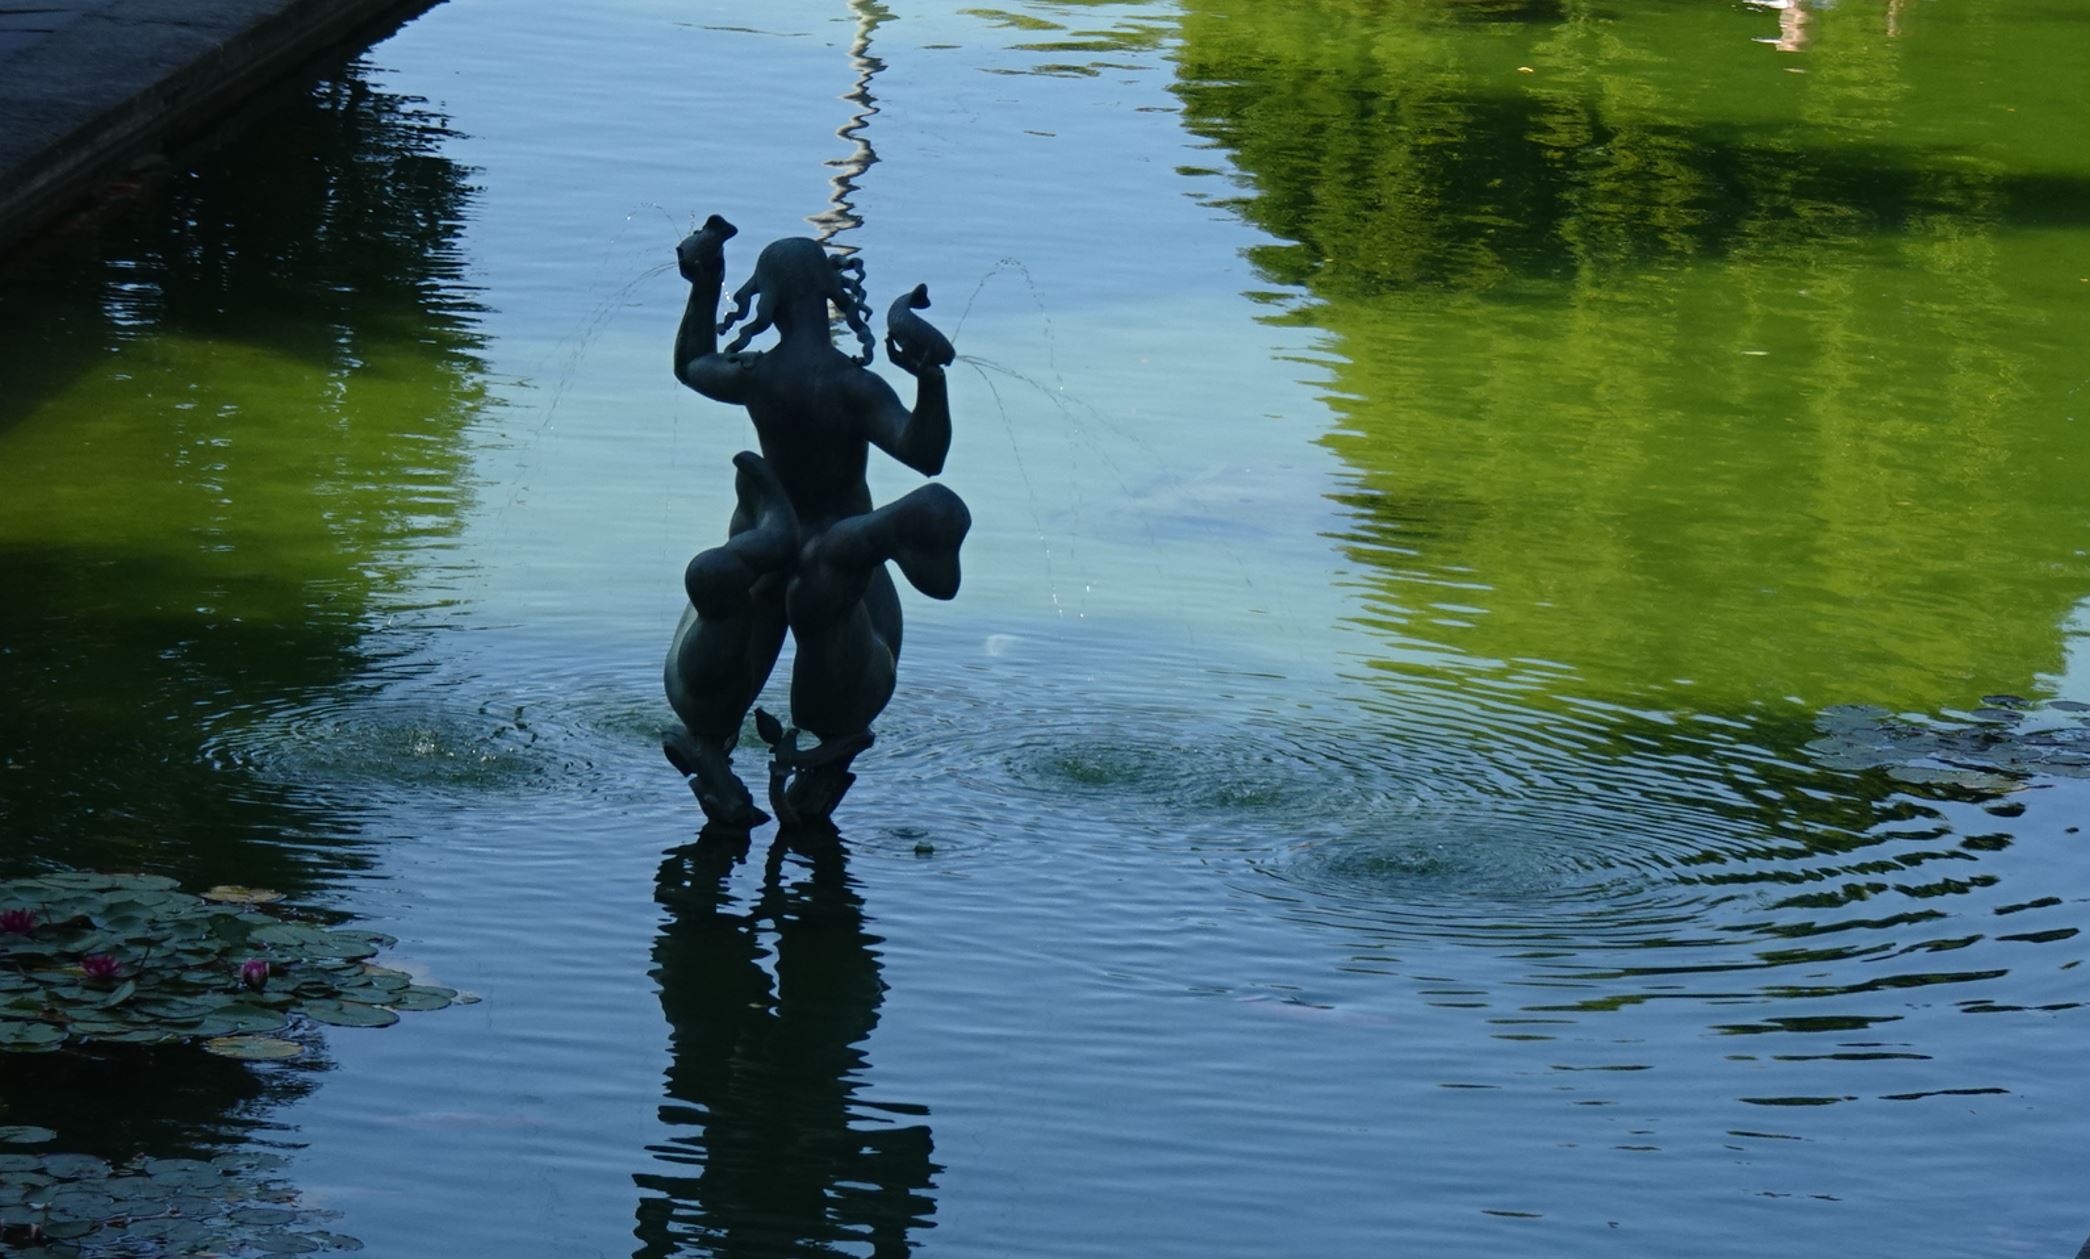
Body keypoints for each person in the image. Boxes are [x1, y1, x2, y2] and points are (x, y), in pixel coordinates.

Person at [662, 216, 970, 828]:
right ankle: (823, 758)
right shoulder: (853, 385)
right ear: (833, 293)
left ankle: (713, 748)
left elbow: (691, 363)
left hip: (766, 538)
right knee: (849, 675)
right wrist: (930, 381)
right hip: (837, 542)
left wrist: (705, 283)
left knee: (722, 654)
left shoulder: (755, 374)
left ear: (767, 299)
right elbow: (924, 453)